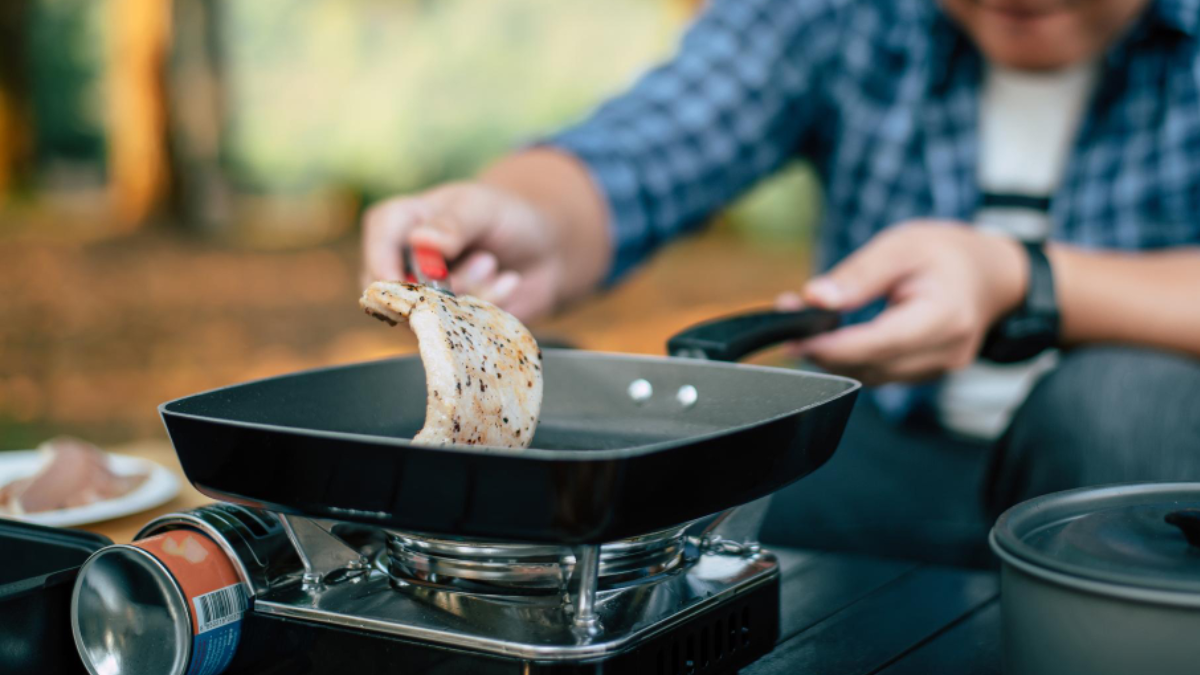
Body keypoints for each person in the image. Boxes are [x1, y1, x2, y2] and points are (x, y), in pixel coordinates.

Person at [362, 0, 1200, 566]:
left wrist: (1026, 281)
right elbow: (654, 140)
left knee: (1121, 402)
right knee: (567, 424)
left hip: (1140, 472)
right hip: (884, 449)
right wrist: (522, 214)